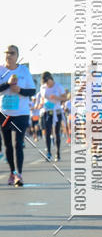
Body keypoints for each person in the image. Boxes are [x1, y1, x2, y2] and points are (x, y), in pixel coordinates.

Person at [0, 45, 36, 186]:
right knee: (8, 145)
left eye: (12, 53)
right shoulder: (1, 70)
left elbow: (32, 91)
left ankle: (18, 175)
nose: (9, 55)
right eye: (7, 53)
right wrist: (7, 85)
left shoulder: (24, 71)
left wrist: (20, 90)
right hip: (4, 113)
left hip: (21, 113)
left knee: (17, 144)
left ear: (17, 56)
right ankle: (12, 171)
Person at [39, 72, 67, 162]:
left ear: (51, 79)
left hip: (57, 111)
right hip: (47, 111)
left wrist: (56, 97)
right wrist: (41, 103)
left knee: (56, 132)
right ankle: (49, 153)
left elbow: (65, 98)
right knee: (47, 132)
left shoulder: (58, 86)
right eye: (45, 83)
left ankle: (58, 153)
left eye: (47, 82)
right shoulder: (43, 87)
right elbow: (42, 98)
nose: (47, 84)